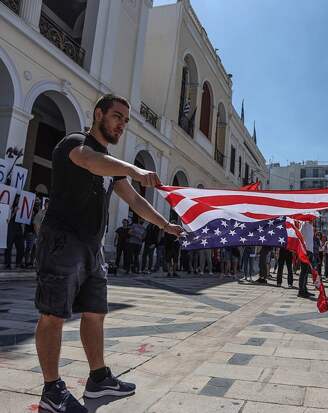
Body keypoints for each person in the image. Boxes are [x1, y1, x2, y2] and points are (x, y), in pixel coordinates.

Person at [34, 94, 183, 413]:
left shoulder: (111, 167)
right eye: (117, 116)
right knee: (53, 314)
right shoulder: (75, 143)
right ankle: (51, 390)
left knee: (95, 312)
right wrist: (133, 169)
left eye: (126, 121)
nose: (121, 124)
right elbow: (88, 160)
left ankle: (99, 379)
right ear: (98, 114)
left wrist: (166, 225)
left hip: (92, 247)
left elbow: (135, 201)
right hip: (62, 240)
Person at [5, 197, 24, 269]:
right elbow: (7, 219)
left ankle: (18, 263)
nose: (19, 201)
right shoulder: (10, 207)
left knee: (21, 248)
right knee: (9, 247)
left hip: (19, 230)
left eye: (20, 199)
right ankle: (8, 264)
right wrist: (14, 212)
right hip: (11, 229)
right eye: (18, 199)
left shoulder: (23, 208)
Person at [298, 222, 315, 298]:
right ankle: (301, 290)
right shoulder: (304, 225)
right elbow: (300, 236)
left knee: (306, 271)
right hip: (306, 250)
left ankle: (304, 289)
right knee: (304, 271)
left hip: (310, 250)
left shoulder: (310, 226)